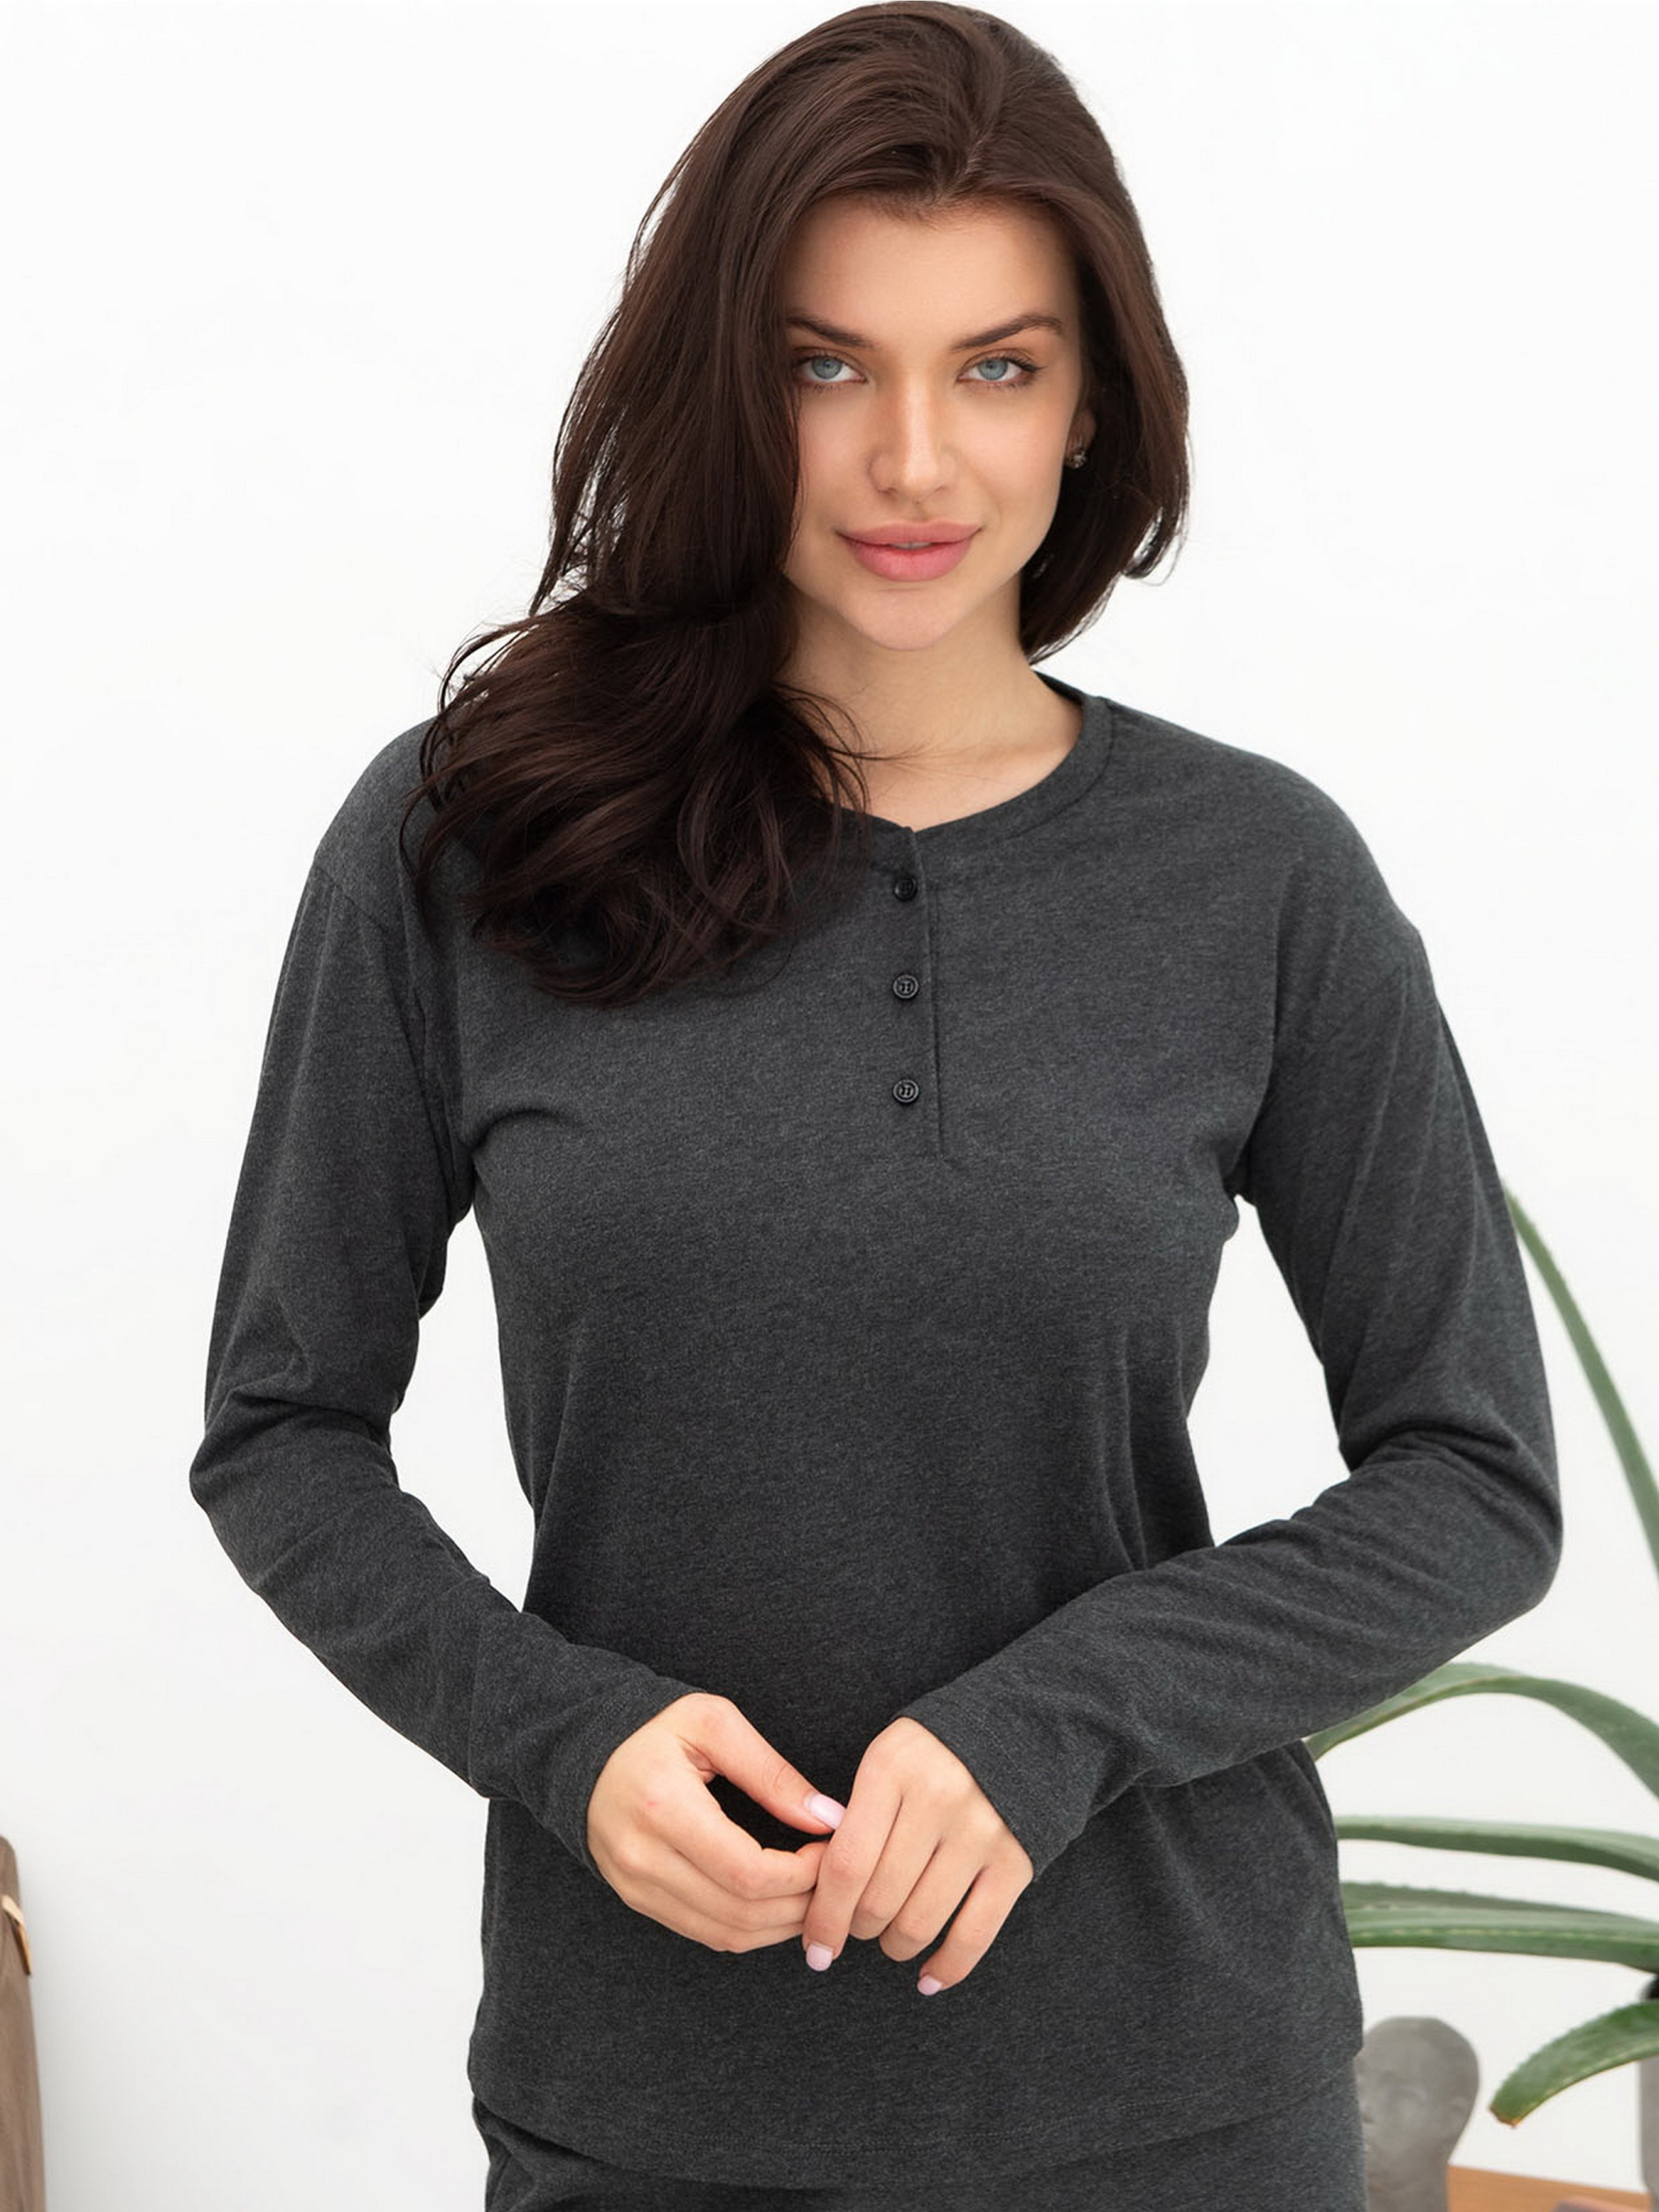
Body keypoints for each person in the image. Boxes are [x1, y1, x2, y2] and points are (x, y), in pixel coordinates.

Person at [188, 4, 1562, 2206]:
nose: (914, 460)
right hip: (650, 2104)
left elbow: (1473, 1478)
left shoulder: (1257, 877)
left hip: (1179, 2096)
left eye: (995, 366)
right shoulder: (469, 843)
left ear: (1091, 402)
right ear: (720, 389)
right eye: (826, 366)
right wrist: (564, 1736)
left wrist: (1058, 1714)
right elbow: (281, 1428)